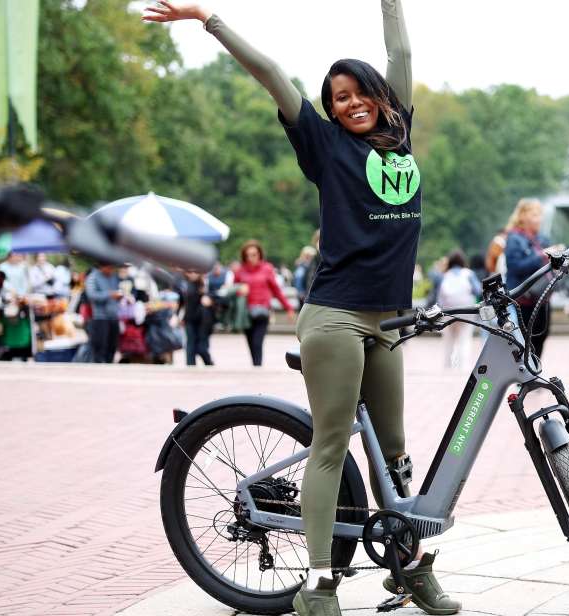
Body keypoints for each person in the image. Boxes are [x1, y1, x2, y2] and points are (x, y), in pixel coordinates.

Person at [143, 2, 461, 613]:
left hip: (388, 317)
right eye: (337, 97)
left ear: (379, 96)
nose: (350, 104)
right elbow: (270, 73)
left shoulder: (399, 133)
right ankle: (318, 586)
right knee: (333, 443)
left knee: (393, 450)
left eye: (358, 92)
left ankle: (410, 565)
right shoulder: (322, 143)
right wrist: (208, 19)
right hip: (336, 313)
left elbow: (403, 55)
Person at [505, 198, 556, 358]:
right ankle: (525, 377)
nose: (539, 219)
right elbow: (514, 266)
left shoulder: (541, 239)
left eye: (540, 214)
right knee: (525, 339)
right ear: (522, 216)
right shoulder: (514, 238)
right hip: (524, 299)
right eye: (534, 214)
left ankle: (533, 375)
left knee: (541, 335)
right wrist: (541, 255)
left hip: (542, 297)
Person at [234, 240, 294, 367]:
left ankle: (257, 367)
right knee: (250, 343)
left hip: (262, 311)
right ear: (244, 256)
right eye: (248, 255)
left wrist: (288, 307)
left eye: (254, 254)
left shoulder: (267, 269)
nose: (251, 258)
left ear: (260, 254)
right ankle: (256, 366)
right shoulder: (240, 271)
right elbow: (234, 291)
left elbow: (276, 290)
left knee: (257, 342)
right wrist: (240, 291)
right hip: (246, 312)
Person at [436, 251, 480, 370]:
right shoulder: (469, 274)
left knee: (448, 340)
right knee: (464, 338)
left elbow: (439, 296)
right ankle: (462, 366)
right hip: (466, 311)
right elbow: (477, 291)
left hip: (448, 311)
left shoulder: (445, 275)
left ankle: (447, 365)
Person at [85, 263, 121, 363]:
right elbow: (91, 295)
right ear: (102, 266)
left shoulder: (114, 277)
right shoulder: (93, 277)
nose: (111, 270)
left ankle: (109, 365)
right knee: (101, 346)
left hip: (114, 316)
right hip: (100, 317)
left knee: (112, 345)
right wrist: (109, 294)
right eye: (109, 267)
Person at [178, 270, 215, 366]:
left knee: (201, 348)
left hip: (204, 321)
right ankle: (190, 368)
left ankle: (209, 364)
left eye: (195, 272)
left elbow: (218, 297)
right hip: (189, 319)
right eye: (189, 272)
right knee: (190, 346)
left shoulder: (206, 283)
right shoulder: (185, 285)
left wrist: (210, 299)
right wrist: (178, 316)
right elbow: (181, 302)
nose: (192, 274)